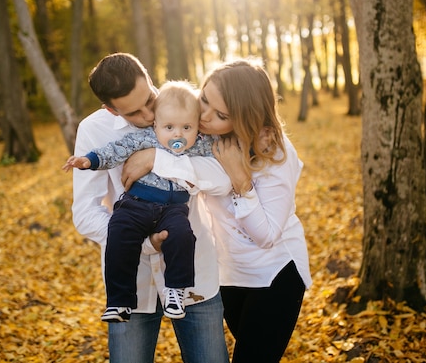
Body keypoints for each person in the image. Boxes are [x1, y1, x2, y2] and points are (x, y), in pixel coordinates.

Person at [146, 60, 312, 362]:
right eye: (205, 100)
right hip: (230, 274)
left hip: (275, 275)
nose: (205, 117)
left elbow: (267, 235)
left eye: (221, 115)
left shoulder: (276, 152)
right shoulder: (206, 137)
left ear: (244, 117)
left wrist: (240, 180)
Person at [70, 52, 231, 363]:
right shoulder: (93, 130)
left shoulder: (188, 108)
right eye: (134, 111)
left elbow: (223, 180)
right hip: (133, 281)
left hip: (195, 273)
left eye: (150, 99)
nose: (148, 113)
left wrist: (159, 159)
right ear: (111, 109)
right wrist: (145, 244)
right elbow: (85, 213)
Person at [63, 80, 217, 323]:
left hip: (175, 209)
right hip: (137, 204)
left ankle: (176, 290)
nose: (177, 134)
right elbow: (116, 150)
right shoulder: (144, 137)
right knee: (119, 229)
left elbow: (220, 165)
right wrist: (89, 161)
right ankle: (119, 300)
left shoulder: (197, 141)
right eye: (169, 127)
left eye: (186, 128)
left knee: (182, 234)